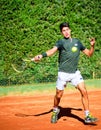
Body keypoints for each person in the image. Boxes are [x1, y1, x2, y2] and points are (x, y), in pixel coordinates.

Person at [31, 22, 98, 124]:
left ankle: (87, 115)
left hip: (75, 73)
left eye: (67, 30)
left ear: (70, 30)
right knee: (58, 95)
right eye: (63, 31)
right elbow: (52, 51)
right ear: (61, 32)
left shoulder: (77, 42)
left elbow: (89, 54)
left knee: (84, 91)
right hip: (63, 73)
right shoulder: (61, 42)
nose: (66, 32)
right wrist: (41, 55)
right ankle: (55, 111)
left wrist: (92, 46)